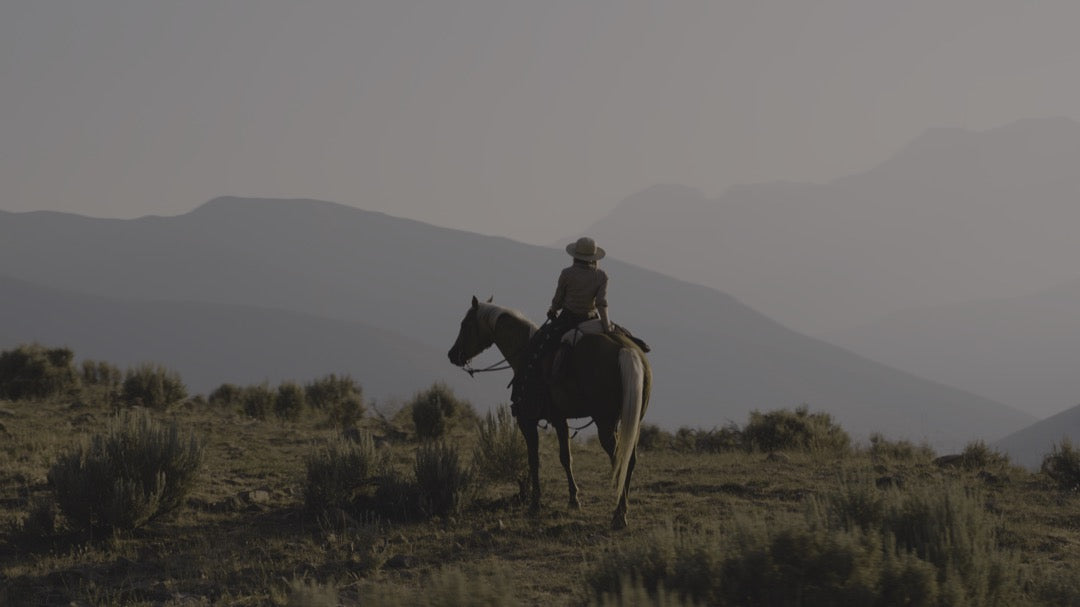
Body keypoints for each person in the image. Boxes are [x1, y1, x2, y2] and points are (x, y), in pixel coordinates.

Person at [511, 237, 611, 417]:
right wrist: (606, 326)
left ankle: (527, 397)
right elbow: (601, 304)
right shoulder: (601, 276)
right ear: (593, 257)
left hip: (567, 321)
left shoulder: (567, 273)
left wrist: (552, 310)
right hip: (591, 321)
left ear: (575, 256)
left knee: (535, 349)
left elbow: (558, 299)